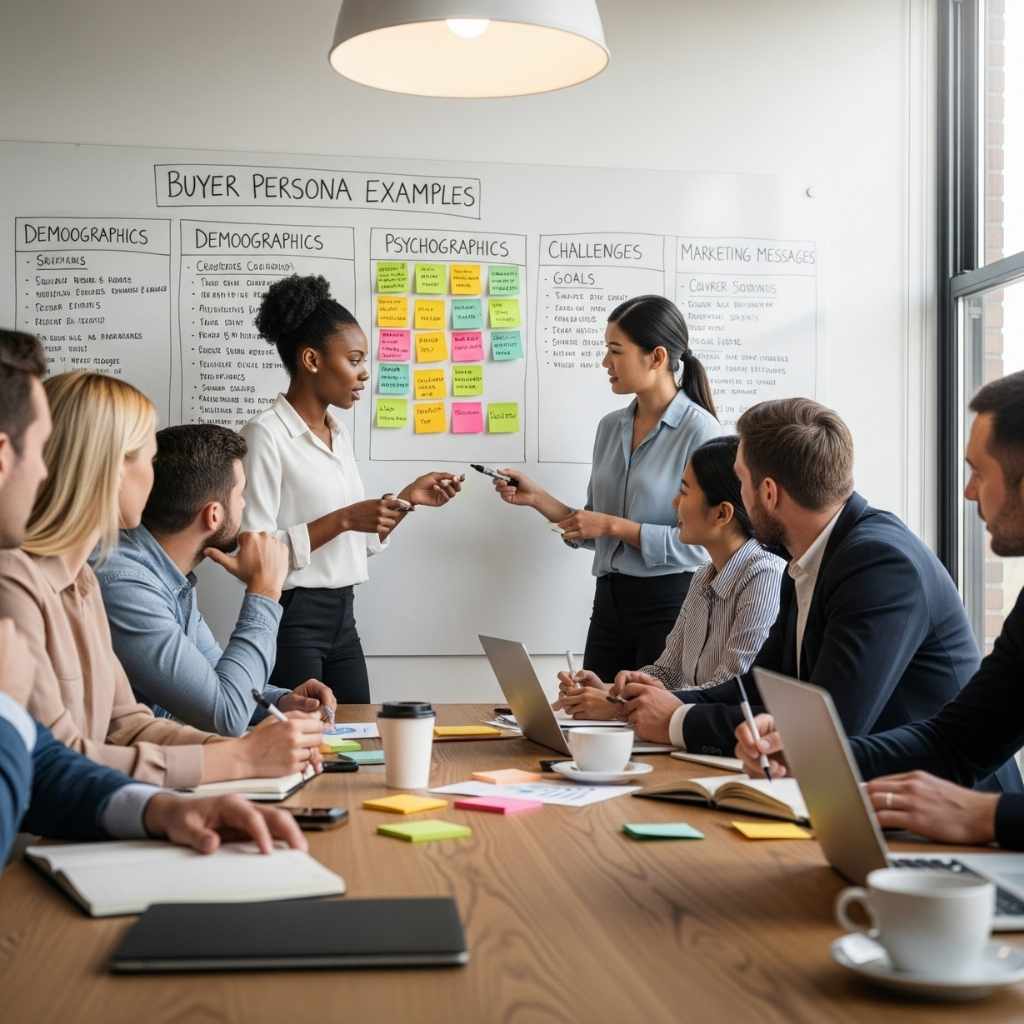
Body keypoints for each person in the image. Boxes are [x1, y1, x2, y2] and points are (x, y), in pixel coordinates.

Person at [0, 329, 307, 865]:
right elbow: (59, 760)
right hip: (44, 857)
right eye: (145, 456)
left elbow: (126, 722)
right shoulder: (27, 584)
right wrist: (233, 758)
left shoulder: (85, 582)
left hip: (84, 841)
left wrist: (242, 752)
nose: (154, 472)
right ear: (105, 468)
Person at [626, 397, 1018, 794]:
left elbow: (832, 725)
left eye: (740, 479)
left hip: (951, 810)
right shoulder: (805, 556)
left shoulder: (878, 563)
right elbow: (764, 683)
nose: (968, 492)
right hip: (872, 796)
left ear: (768, 493)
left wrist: (679, 720)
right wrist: (657, 701)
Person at [736, 372, 1024, 847]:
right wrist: (805, 756)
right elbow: (953, 743)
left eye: (978, 472)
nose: (968, 492)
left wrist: (991, 817)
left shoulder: (878, 559)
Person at [241, 274, 462, 703]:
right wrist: (344, 519)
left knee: (361, 737)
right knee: (306, 744)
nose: (364, 374)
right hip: (291, 617)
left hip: (344, 616)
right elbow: (254, 556)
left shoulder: (337, 434)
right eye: (355, 359)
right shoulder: (264, 435)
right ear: (311, 360)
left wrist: (404, 500)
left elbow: (352, 546)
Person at [492, 295, 720, 684]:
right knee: (592, 717)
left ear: (657, 357)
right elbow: (594, 523)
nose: (605, 363)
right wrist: (538, 499)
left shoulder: (701, 432)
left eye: (615, 351)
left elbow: (702, 544)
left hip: (670, 604)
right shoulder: (610, 427)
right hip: (609, 600)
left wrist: (614, 527)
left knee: (650, 728)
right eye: (605, 350)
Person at [95, 424, 334, 735]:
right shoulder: (126, 586)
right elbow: (226, 714)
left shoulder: (169, 576)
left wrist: (282, 700)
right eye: (241, 495)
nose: (245, 505)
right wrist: (264, 592)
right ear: (214, 515)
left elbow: (212, 677)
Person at [552, 435, 784, 736]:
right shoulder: (703, 575)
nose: (674, 503)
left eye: (684, 492)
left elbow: (732, 688)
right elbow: (667, 672)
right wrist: (612, 690)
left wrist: (617, 707)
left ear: (721, 513)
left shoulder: (764, 576)